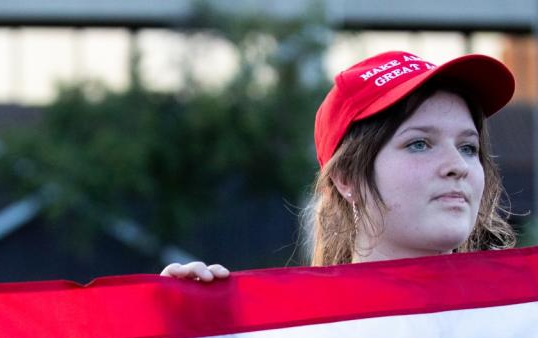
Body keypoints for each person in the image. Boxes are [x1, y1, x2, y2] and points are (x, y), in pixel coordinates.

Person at [161, 50, 516, 279]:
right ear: (347, 178)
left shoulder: (517, 323)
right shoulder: (290, 333)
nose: (458, 165)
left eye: (469, 147)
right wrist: (185, 336)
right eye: (420, 143)